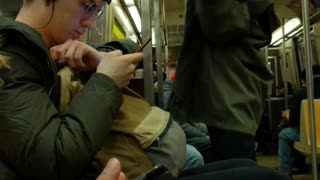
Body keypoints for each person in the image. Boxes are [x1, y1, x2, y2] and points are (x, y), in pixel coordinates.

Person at [0, 0, 144, 179]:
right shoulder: (10, 55)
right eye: (88, 6)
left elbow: (130, 45)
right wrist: (107, 81)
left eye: (97, 12)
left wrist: (102, 55)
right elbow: (54, 160)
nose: (91, 24)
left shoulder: (47, 50)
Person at [168, 0, 280, 161]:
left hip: (226, 87)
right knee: (238, 158)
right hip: (234, 84)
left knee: (237, 162)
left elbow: (221, 25)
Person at [277, 65, 320, 177]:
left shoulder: (301, 94)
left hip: (311, 135)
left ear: (304, 79)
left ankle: (285, 172)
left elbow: (294, 120)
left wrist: (288, 115)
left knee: (284, 134)